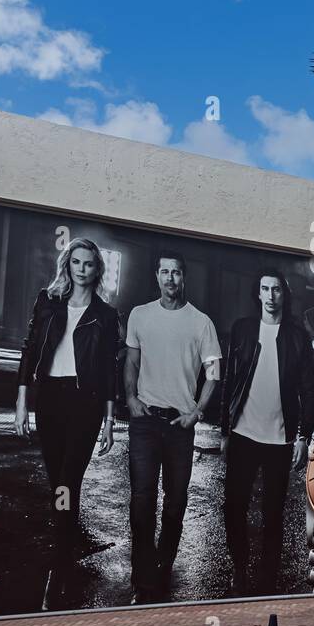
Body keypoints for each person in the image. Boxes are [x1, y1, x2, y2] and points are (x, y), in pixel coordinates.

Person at [14, 237, 120, 610]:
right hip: (51, 400)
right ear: (68, 265)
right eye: (76, 262)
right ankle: (64, 534)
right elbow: (30, 350)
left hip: (85, 404)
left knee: (68, 478)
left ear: (97, 269)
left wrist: (109, 420)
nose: (82, 269)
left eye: (89, 263)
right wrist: (22, 402)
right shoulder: (49, 302)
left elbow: (110, 370)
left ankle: (60, 555)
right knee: (56, 478)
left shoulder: (106, 316)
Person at [123, 252, 221, 603]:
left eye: (176, 272)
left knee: (175, 503)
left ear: (184, 278)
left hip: (180, 426)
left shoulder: (200, 323)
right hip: (146, 422)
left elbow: (213, 373)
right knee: (142, 501)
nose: (170, 278)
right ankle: (142, 577)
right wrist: (131, 398)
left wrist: (197, 412)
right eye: (164, 272)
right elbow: (132, 361)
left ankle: (163, 570)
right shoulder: (140, 315)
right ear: (157, 276)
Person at [220, 270, 314, 596]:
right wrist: (224, 431)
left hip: (280, 438)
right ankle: (240, 567)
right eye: (265, 289)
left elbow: (308, 389)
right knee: (233, 507)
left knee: (273, 515)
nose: (271, 295)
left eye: (276, 289)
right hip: (243, 434)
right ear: (258, 293)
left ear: (283, 295)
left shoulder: (297, 337)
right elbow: (229, 382)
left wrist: (303, 437)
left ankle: (267, 580)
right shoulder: (243, 330)